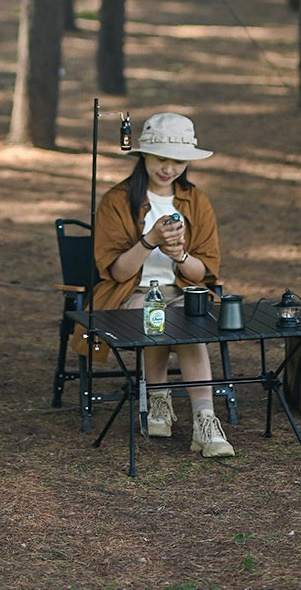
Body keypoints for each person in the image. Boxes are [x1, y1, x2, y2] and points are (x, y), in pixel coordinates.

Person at [92, 111, 234, 458]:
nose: (168, 169)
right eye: (160, 159)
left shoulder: (196, 201)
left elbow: (203, 273)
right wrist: (148, 241)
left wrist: (181, 254)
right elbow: (119, 273)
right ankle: (158, 400)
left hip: (184, 292)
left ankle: (206, 419)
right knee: (154, 317)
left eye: (177, 161)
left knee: (190, 323)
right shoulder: (116, 200)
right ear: (143, 157)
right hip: (131, 293)